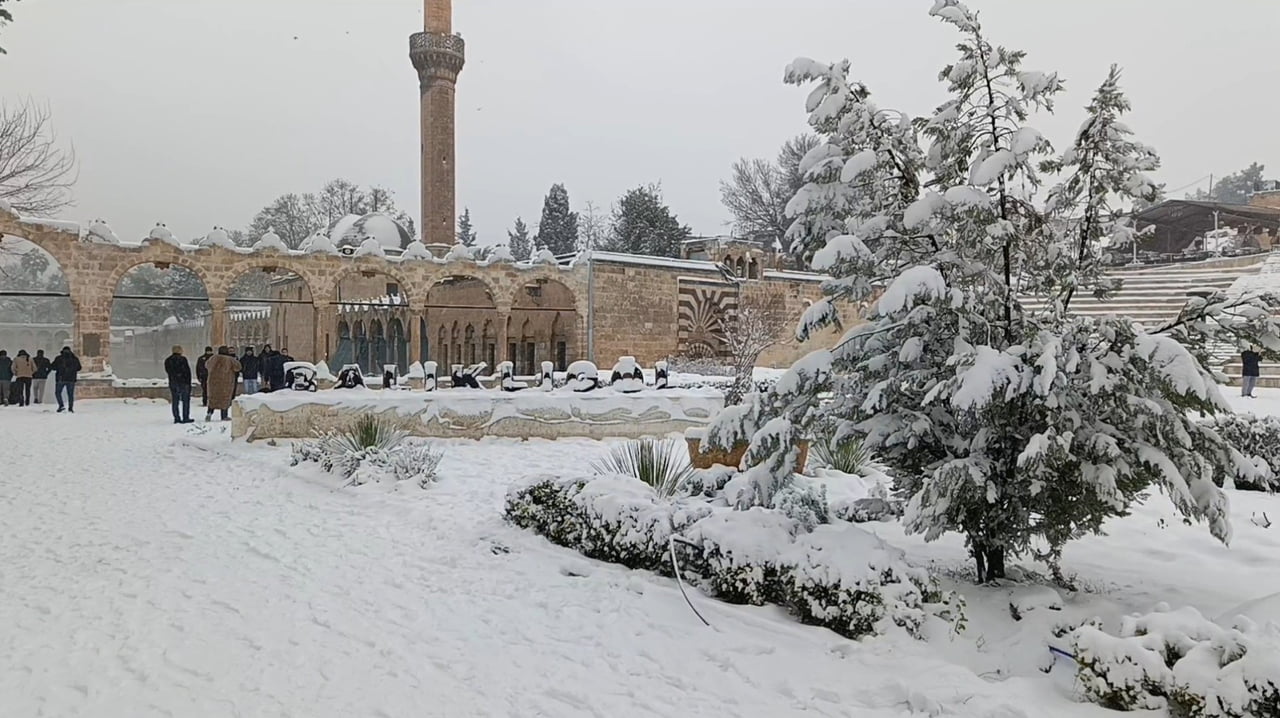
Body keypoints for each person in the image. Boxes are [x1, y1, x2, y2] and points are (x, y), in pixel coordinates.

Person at [204, 346, 241, 422]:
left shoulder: (213, 358)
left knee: (213, 399)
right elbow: (238, 367)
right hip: (226, 382)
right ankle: (224, 415)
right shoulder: (230, 359)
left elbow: (206, 365)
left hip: (213, 382)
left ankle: (209, 413)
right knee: (225, 399)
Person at [164, 345, 193, 424]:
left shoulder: (168, 360)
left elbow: (168, 371)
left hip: (173, 382)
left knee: (175, 401)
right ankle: (185, 417)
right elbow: (187, 372)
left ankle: (177, 418)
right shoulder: (183, 359)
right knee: (185, 401)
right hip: (183, 383)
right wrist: (188, 382)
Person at [51, 346, 81, 413]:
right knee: (70, 394)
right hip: (71, 379)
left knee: (58, 393)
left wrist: (59, 368)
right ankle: (70, 408)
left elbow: (53, 367)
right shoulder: (74, 359)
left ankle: (61, 405)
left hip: (61, 378)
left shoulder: (59, 358)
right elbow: (79, 368)